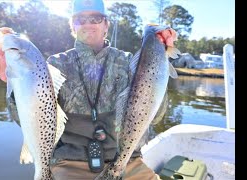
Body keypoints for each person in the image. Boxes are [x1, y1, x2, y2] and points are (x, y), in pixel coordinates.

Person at [46, 0, 163, 179]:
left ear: (106, 24)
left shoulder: (128, 61)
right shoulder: (55, 64)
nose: (87, 24)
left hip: (128, 161)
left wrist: (161, 51)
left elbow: (156, 115)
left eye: (95, 18)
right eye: (80, 19)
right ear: (72, 25)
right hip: (70, 162)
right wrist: (14, 86)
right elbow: (31, 117)